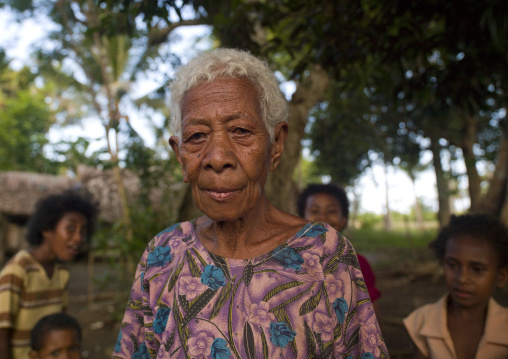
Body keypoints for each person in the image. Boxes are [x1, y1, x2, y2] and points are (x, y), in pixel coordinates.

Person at [113, 48, 389, 358]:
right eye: (197, 136)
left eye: (240, 131)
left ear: (276, 144)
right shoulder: (162, 255)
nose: (217, 158)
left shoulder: (324, 253)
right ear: (180, 156)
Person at [0, 190, 97, 359]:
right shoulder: (18, 271)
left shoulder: (62, 272)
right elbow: (2, 334)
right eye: (71, 228)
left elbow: (60, 321)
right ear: (47, 229)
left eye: (83, 231)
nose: (78, 238)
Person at [403, 214, 508, 359]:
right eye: (452, 265)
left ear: (501, 277)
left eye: (477, 269)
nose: (462, 278)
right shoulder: (422, 321)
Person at [297, 183, 381, 312]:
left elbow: (370, 313)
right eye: (314, 211)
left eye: (331, 211)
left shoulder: (359, 264)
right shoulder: (287, 263)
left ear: (344, 220)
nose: (323, 217)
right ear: (301, 220)